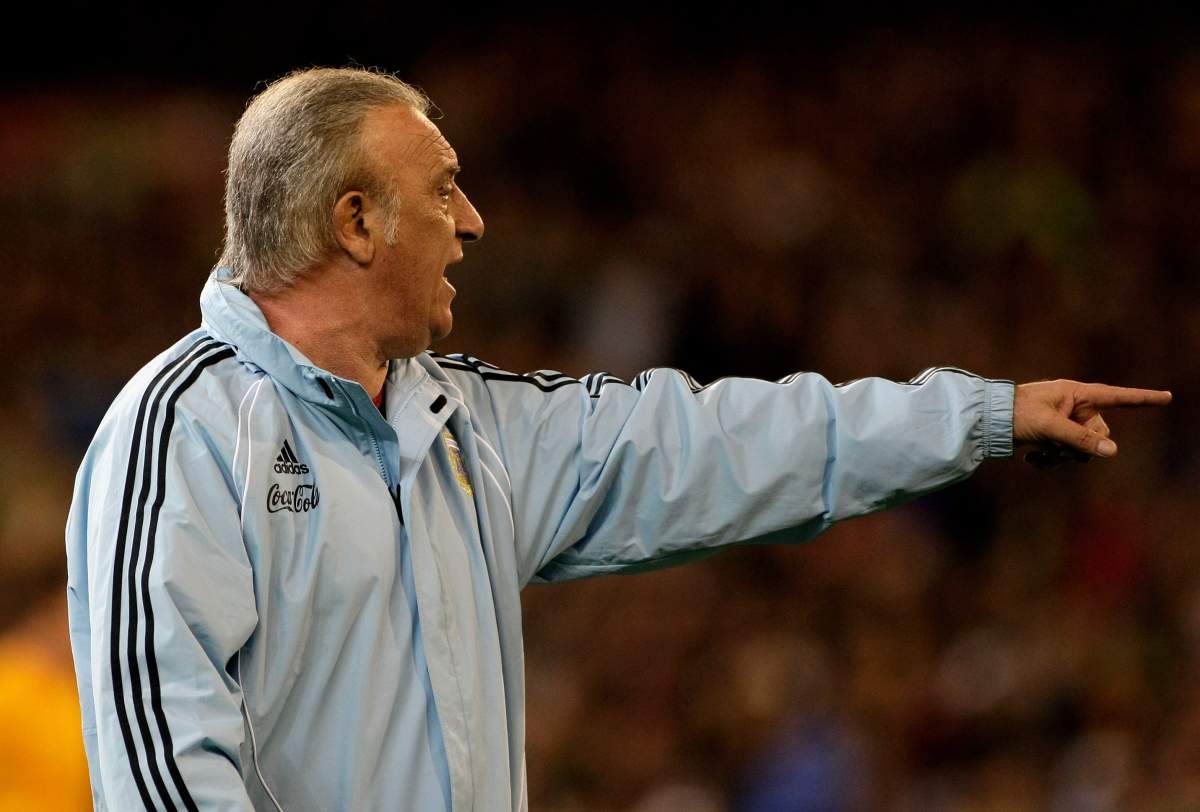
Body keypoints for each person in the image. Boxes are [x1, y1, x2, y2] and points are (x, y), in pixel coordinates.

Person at [65, 66, 1171, 812]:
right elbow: (164, 762)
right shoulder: (183, 433)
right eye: (443, 190)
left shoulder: (467, 429)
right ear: (355, 221)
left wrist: (976, 416)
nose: (473, 220)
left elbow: (722, 443)